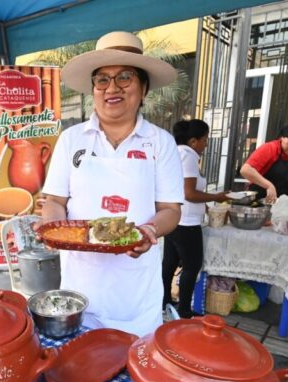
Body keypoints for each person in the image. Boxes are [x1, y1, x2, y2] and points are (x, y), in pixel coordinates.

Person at [40, 31, 184, 337]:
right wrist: (54, 229)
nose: (112, 88)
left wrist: (150, 230)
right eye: (102, 80)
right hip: (81, 281)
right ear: (93, 89)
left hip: (136, 287)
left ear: (144, 89)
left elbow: (171, 210)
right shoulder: (71, 139)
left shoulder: (161, 142)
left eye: (125, 77)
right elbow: (54, 200)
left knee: (134, 364)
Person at [162, 120, 229, 319]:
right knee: (192, 265)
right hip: (187, 223)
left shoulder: (176, 153)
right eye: (204, 139)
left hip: (173, 219)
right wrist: (217, 196)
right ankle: (183, 310)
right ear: (193, 141)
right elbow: (189, 193)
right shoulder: (189, 157)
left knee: (169, 263)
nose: (206, 144)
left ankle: (165, 302)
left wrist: (205, 203)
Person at [239, 118, 288, 203]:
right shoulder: (270, 148)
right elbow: (245, 170)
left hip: (282, 202)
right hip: (258, 200)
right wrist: (269, 186)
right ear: (282, 137)